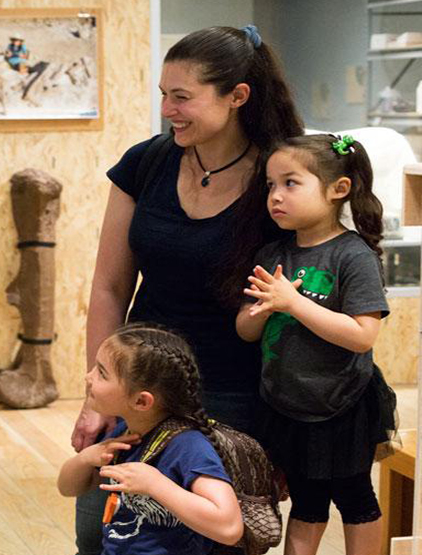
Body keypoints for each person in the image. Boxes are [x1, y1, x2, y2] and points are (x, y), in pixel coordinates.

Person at [69, 25, 303, 555]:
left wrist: (287, 431)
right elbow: (109, 287)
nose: (168, 110)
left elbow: (297, 306)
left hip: (236, 395)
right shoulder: (145, 163)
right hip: (140, 388)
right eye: (163, 96)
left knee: (210, 541)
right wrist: (95, 399)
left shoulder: (280, 181)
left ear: (237, 96)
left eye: (182, 97)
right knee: (101, 534)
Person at [236, 134, 398, 555]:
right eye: (270, 185)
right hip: (287, 406)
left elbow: (364, 335)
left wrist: (293, 303)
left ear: (338, 190)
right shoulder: (274, 252)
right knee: (306, 504)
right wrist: (264, 310)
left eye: (290, 183)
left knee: (355, 499)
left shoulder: (353, 255)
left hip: (343, 406)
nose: (275, 196)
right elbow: (245, 331)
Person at [58, 324, 242, 555]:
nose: (88, 377)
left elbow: (230, 527)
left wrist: (156, 485)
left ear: (141, 402)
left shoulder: (188, 446)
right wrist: (85, 459)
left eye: (102, 373)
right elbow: (67, 488)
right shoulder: (125, 433)